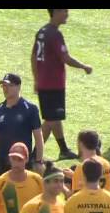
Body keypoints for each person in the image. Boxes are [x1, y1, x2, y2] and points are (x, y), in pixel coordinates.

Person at [31, 9, 93, 160]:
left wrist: (36, 79)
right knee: (50, 120)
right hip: (53, 84)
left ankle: (64, 150)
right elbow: (65, 58)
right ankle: (33, 156)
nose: (67, 14)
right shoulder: (54, 34)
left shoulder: (42, 31)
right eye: (64, 11)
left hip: (45, 83)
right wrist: (84, 66)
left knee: (55, 117)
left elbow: (33, 56)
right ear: (55, 11)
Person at [0, 73, 44, 178]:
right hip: (2, 163)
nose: (5, 89)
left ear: (18, 87)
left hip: (22, 162)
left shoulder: (30, 109)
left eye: (9, 86)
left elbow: (38, 137)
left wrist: (38, 161)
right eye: (4, 86)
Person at [68, 130, 110, 197]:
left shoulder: (82, 167)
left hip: (88, 206)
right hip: (106, 205)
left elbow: (76, 196)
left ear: (81, 144)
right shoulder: (106, 163)